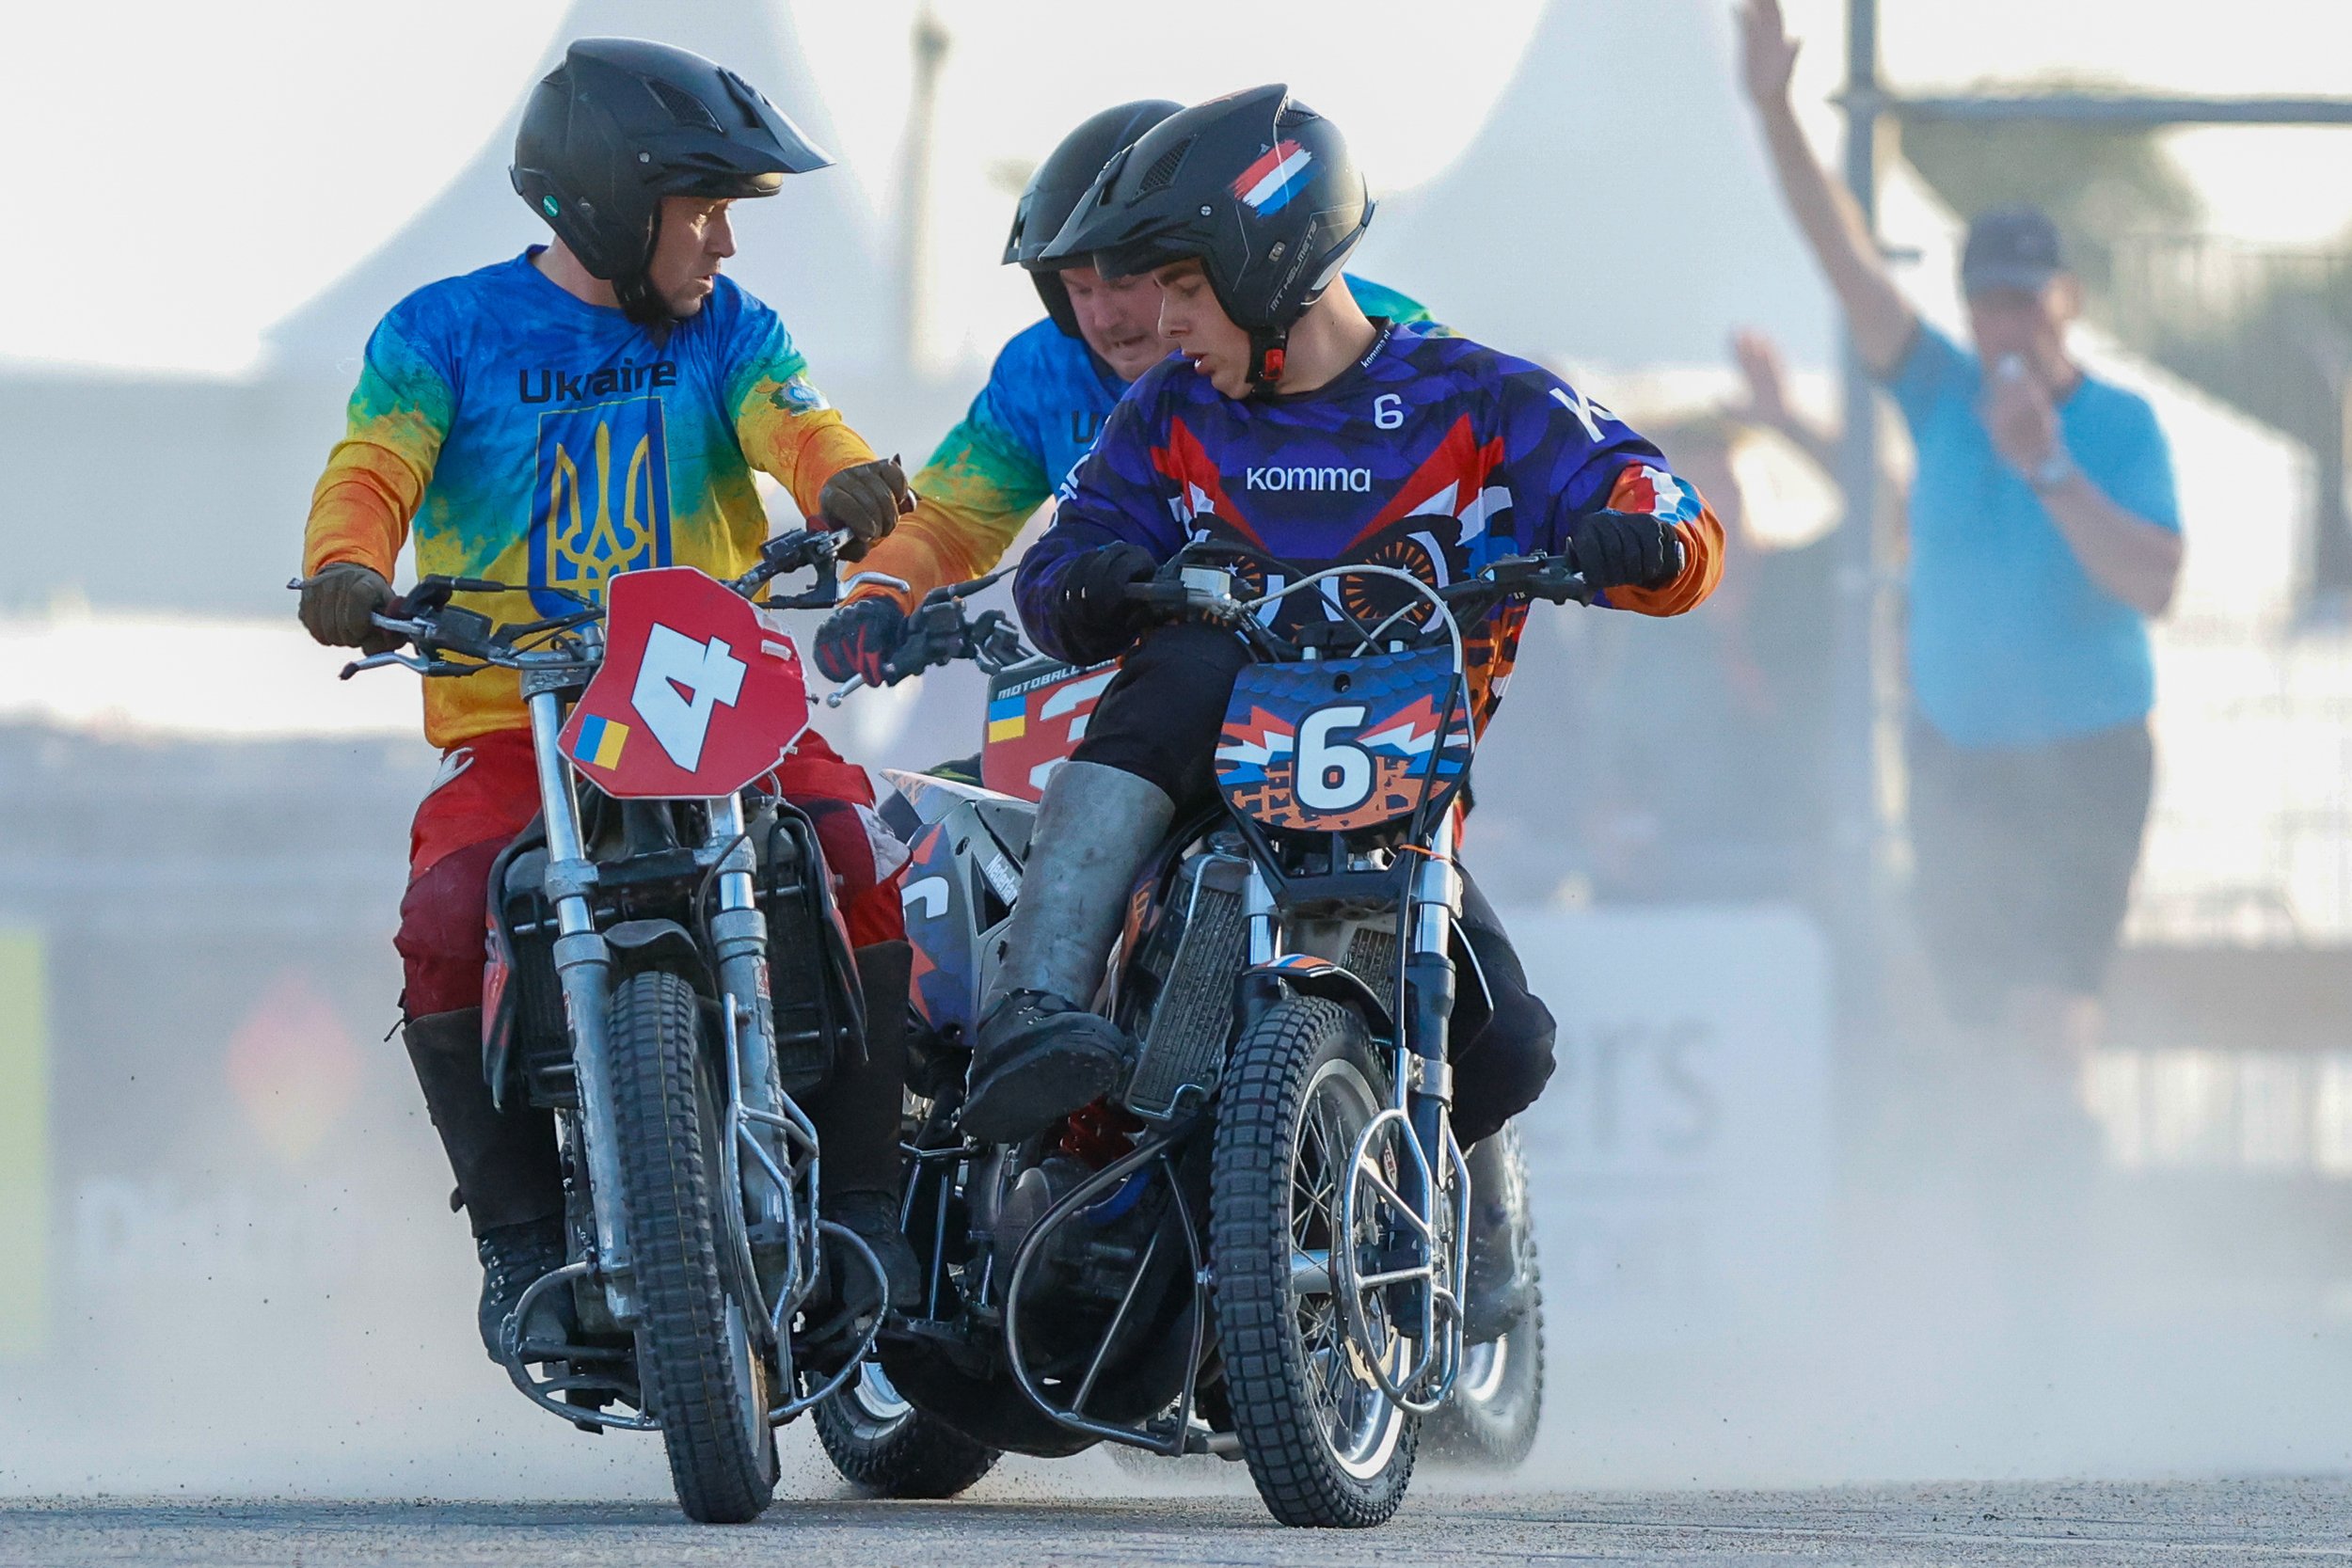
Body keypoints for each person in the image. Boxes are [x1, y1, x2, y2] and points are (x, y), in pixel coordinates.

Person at [963, 85, 1724, 1336]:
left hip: (1403, 822)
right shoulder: (1170, 414)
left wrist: (1641, 536)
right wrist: (1089, 583)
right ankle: (1039, 1009)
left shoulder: (1480, 399)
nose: (1153, 323)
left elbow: (1659, 496)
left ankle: (1368, 1193)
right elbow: (1063, 557)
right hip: (1202, 801)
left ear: (1269, 269)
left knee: (1513, 1045)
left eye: (1183, 292)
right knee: (1188, 656)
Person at [293, 39, 919, 1359]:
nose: (726, 248)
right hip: (523, 715)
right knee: (445, 910)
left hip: (702, 696)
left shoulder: (729, 334)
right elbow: (372, 467)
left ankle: (870, 1208)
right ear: (611, 205)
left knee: (853, 850)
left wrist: (846, 481)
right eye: (705, 213)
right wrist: (348, 566)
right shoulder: (441, 332)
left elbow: (803, 427)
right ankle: (519, 1240)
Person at [1740, 0, 2183, 1123]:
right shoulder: (1937, 388)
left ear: (2065, 304)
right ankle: (1999, 1280)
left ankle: (2056, 1277)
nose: (2007, 323)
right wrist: (1773, 107)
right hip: (1958, 762)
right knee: (1965, 1043)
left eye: (2027, 301)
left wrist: (2049, 469)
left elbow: (2156, 581)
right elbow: (1839, 250)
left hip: (2082, 759)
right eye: (1989, 301)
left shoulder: (2119, 424)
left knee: (2046, 1037)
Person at [808, 99, 1439, 689]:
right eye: (1080, 290)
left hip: (1355, 690)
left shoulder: (1382, 336)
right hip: (1137, 690)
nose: (1105, 318)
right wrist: (879, 593)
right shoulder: (1042, 372)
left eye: (1128, 280)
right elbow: (948, 518)